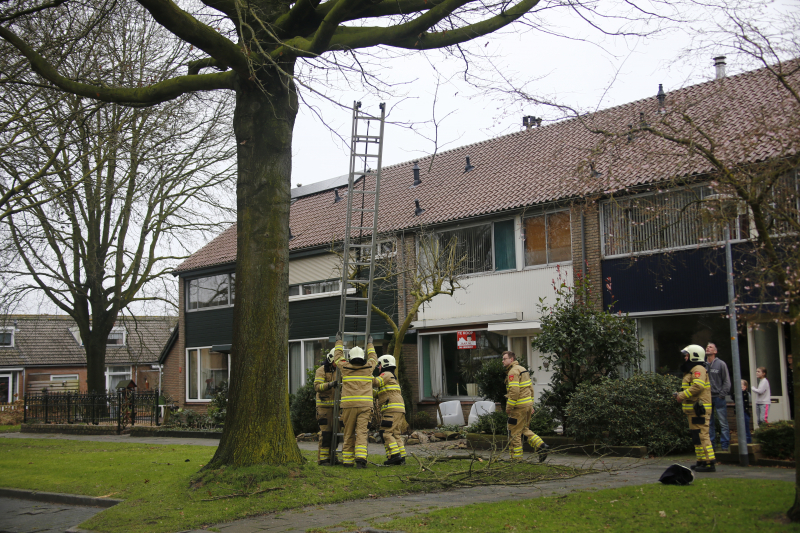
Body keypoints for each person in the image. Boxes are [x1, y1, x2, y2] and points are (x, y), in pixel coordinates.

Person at [334, 334, 377, 468]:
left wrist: (339, 341)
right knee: (362, 432)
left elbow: (337, 358)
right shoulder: (369, 367)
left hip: (349, 406)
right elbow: (373, 358)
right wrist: (370, 343)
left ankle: (347, 461)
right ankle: (361, 458)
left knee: (348, 432)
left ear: (350, 357)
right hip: (365, 406)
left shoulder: (345, 368)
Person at [675, 344, 716, 473]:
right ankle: (701, 461)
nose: (685, 358)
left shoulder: (698, 369)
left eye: (687, 355)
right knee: (696, 436)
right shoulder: (692, 370)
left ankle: (709, 462)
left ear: (694, 355)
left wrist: (681, 395)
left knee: (702, 435)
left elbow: (698, 387)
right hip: (693, 410)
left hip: (699, 410)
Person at [501, 350, 548, 462]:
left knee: (515, 432)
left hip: (518, 407)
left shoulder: (513, 372)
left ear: (511, 359)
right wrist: (531, 405)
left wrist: (509, 407)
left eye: (504, 359)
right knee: (524, 429)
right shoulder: (523, 369)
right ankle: (541, 446)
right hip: (527, 406)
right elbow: (530, 388)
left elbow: (514, 391)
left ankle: (516, 459)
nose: (502, 361)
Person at [373, 354, 407, 465]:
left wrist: (364, 376)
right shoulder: (392, 377)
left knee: (385, 432)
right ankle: (401, 456)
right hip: (399, 409)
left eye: (379, 365)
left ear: (385, 364)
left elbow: (375, 382)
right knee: (395, 434)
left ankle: (395, 455)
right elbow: (379, 394)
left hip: (391, 409)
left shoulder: (386, 374)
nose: (378, 367)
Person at [314, 348, 339, 465]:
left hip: (336, 408)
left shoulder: (339, 371)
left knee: (336, 434)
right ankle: (323, 459)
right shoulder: (321, 370)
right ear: (331, 359)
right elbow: (317, 387)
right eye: (336, 361)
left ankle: (334, 457)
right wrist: (330, 385)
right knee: (326, 434)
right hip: (324, 408)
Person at [705, 342, 731, 452]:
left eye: (710, 347)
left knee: (722, 422)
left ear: (715, 351)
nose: (707, 348)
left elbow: (726, 381)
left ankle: (725, 445)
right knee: (709, 422)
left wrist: (722, 394)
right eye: (707, 347)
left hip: (718, 397)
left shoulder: (721, 364)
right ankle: (712, 444)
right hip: (707, 398)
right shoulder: (703, 365)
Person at [740, 379, 752, 445]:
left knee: (746, 428)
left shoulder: (745, 393)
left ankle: (748, 442)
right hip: (741, 413)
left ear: (745, 387)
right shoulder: (738, 393)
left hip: (745, 413)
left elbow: (742, 396)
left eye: (740, 384)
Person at [787, 354, 794, 419]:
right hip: (790, 393)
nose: (789, 359)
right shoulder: (786, 369)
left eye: (791, 358)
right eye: (788, 358)